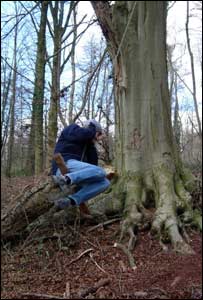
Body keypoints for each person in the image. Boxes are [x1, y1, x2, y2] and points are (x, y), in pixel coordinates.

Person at [51, 119, 110, 209]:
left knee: (105, 182)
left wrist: (92, 144)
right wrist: (92, 131)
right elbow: (79, 135)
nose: (98, 137)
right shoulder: (72, 128)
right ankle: (66, 179)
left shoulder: (87, 144)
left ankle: (71, 200)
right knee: (101, 171)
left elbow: (93, 164)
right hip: (65, 164)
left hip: (76, 175)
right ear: (92, 129)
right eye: (98, 134)